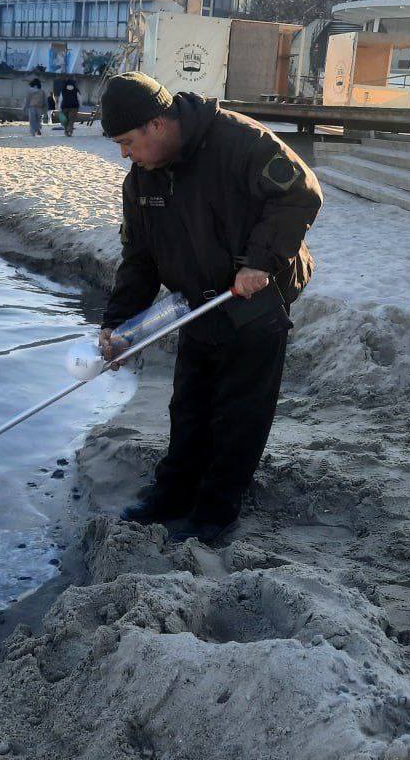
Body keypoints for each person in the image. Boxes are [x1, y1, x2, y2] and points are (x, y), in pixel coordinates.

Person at [99, 71, 322, 544]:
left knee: (239, 410)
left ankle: (216, 510)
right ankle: (174, 493)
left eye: (127, 141)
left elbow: (300, 194)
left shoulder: (242, 142)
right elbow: (139, 257)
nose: (125, 154)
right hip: (195, 305)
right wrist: (119, 325)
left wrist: (258, 263)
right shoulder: (142, 179)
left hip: (255, 297)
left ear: (156, 124)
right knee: (190, 404)